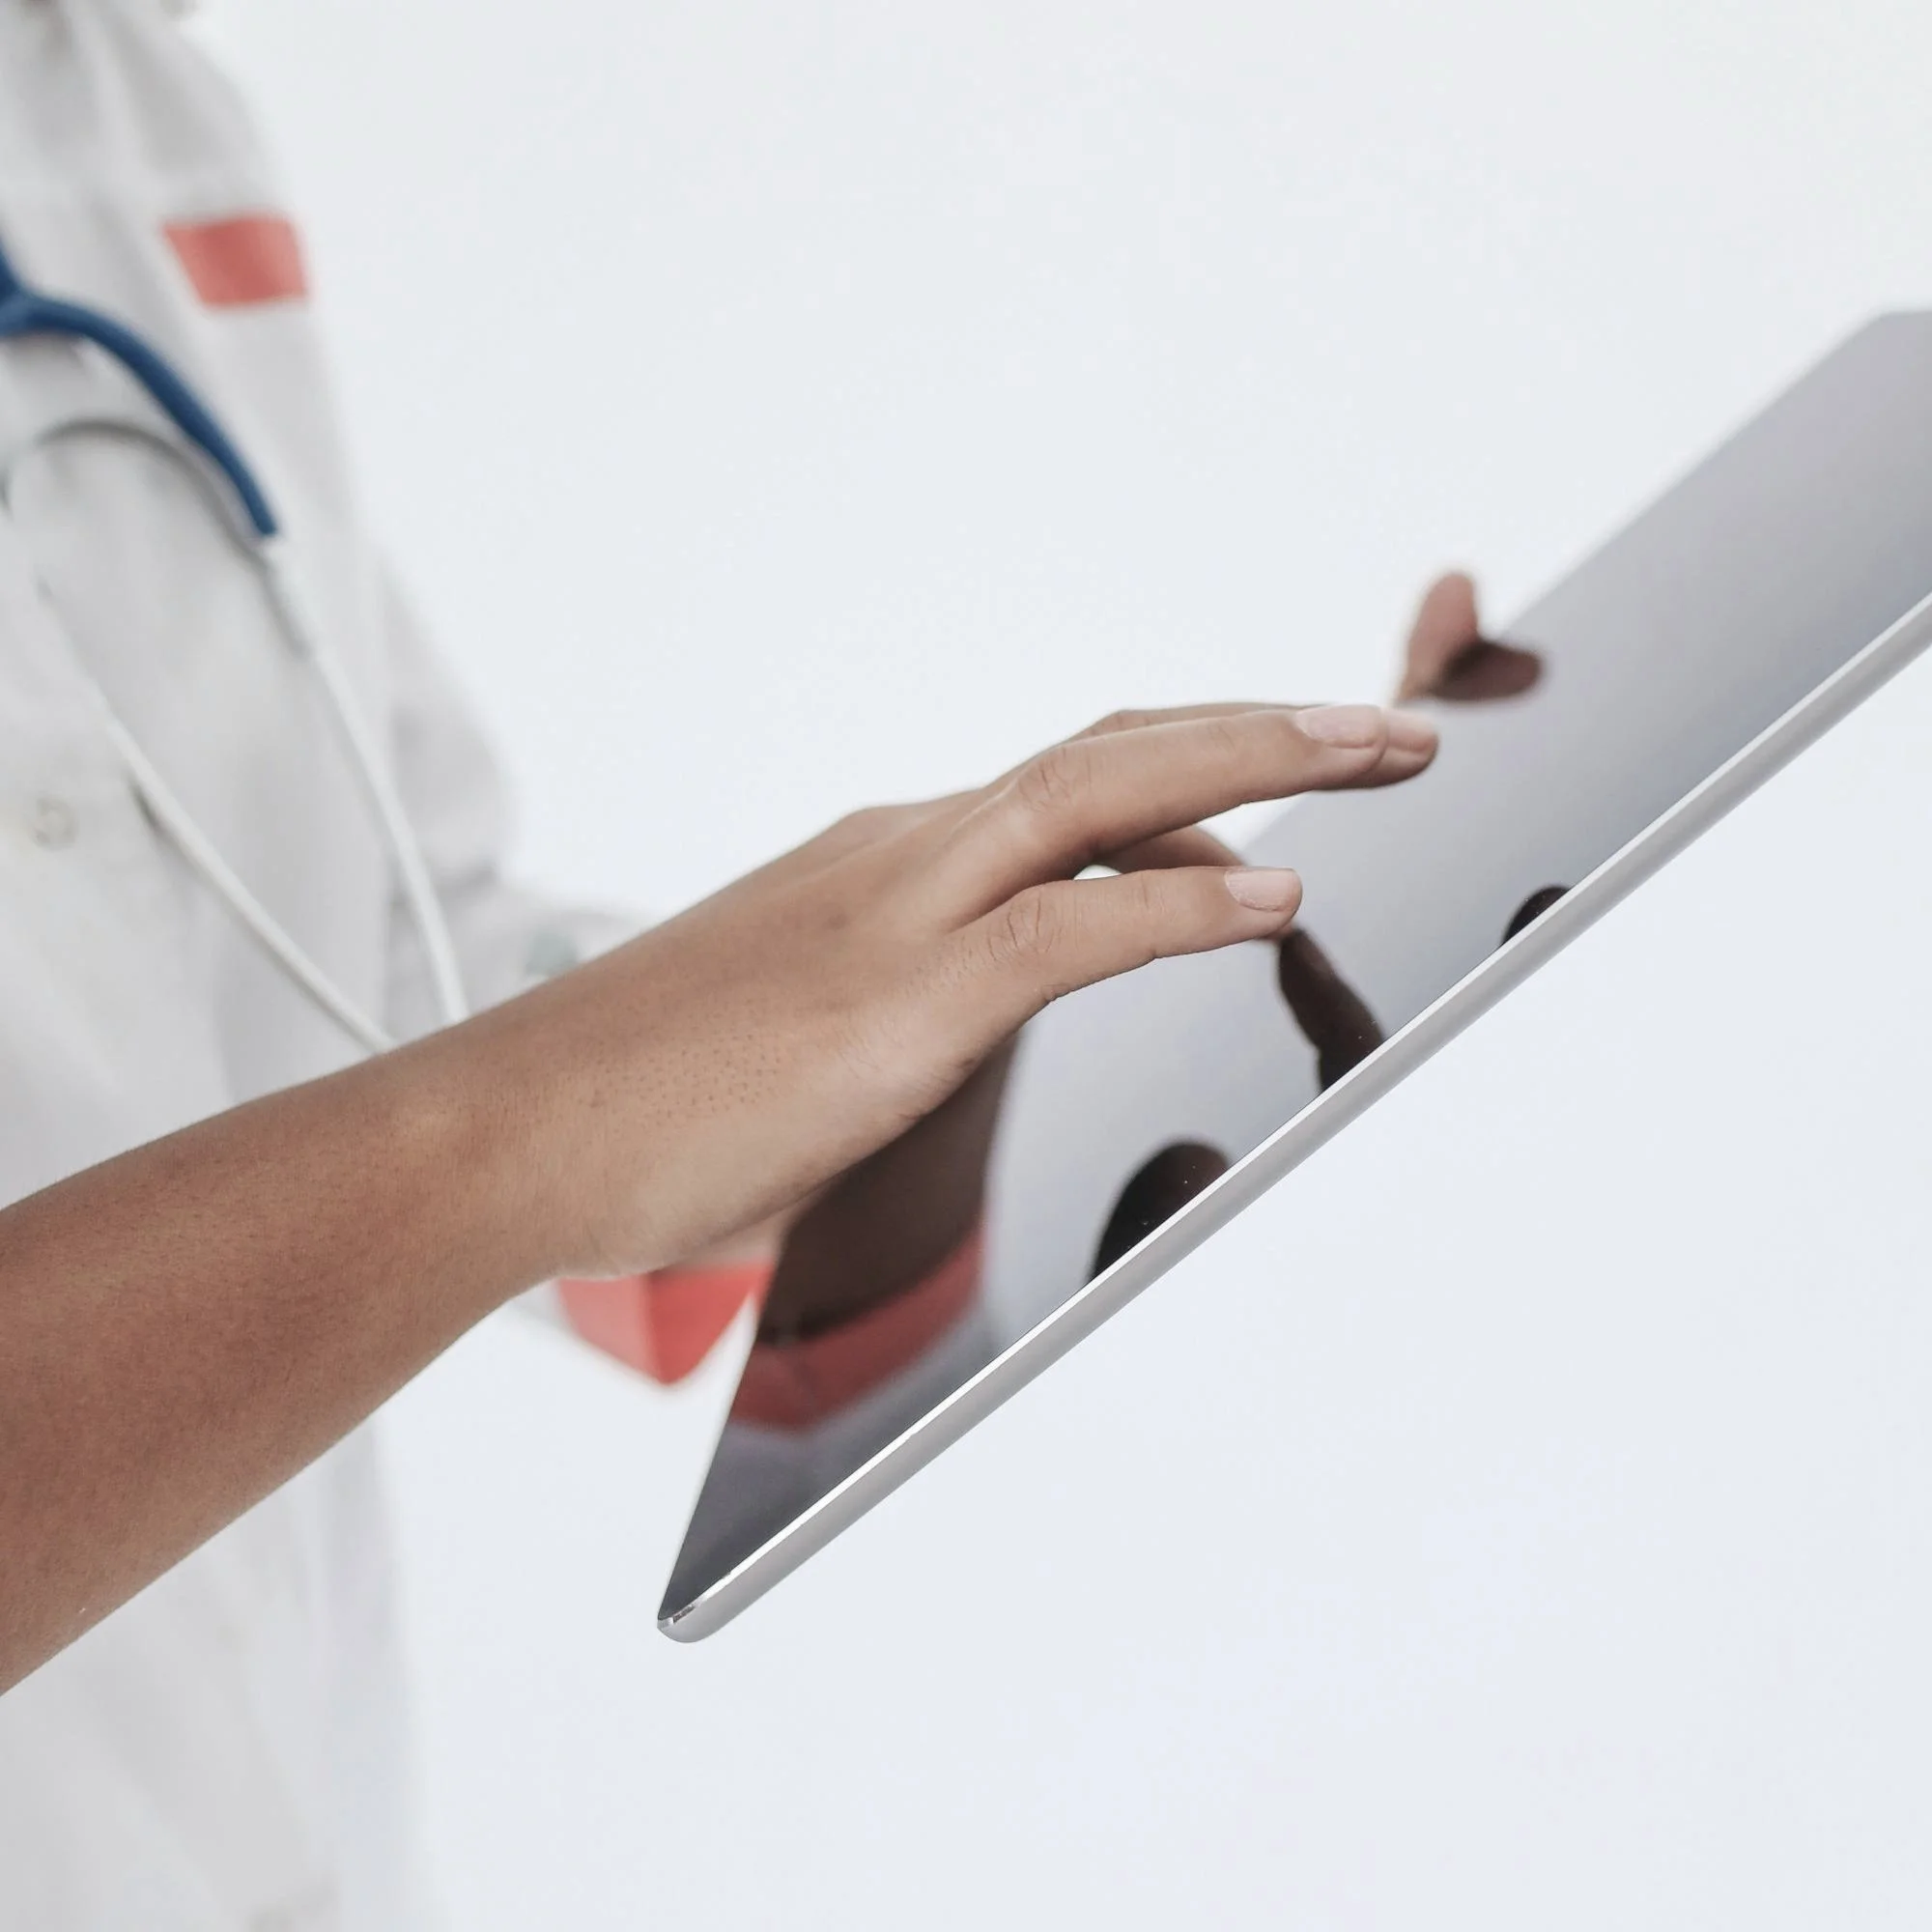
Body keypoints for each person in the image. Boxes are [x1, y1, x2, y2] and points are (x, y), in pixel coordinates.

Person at [0, 4, 1494, 1924]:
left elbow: (370, 962)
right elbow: (486, 1106)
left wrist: (1020, 1003)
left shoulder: (119, 92)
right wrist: (517, 1131)